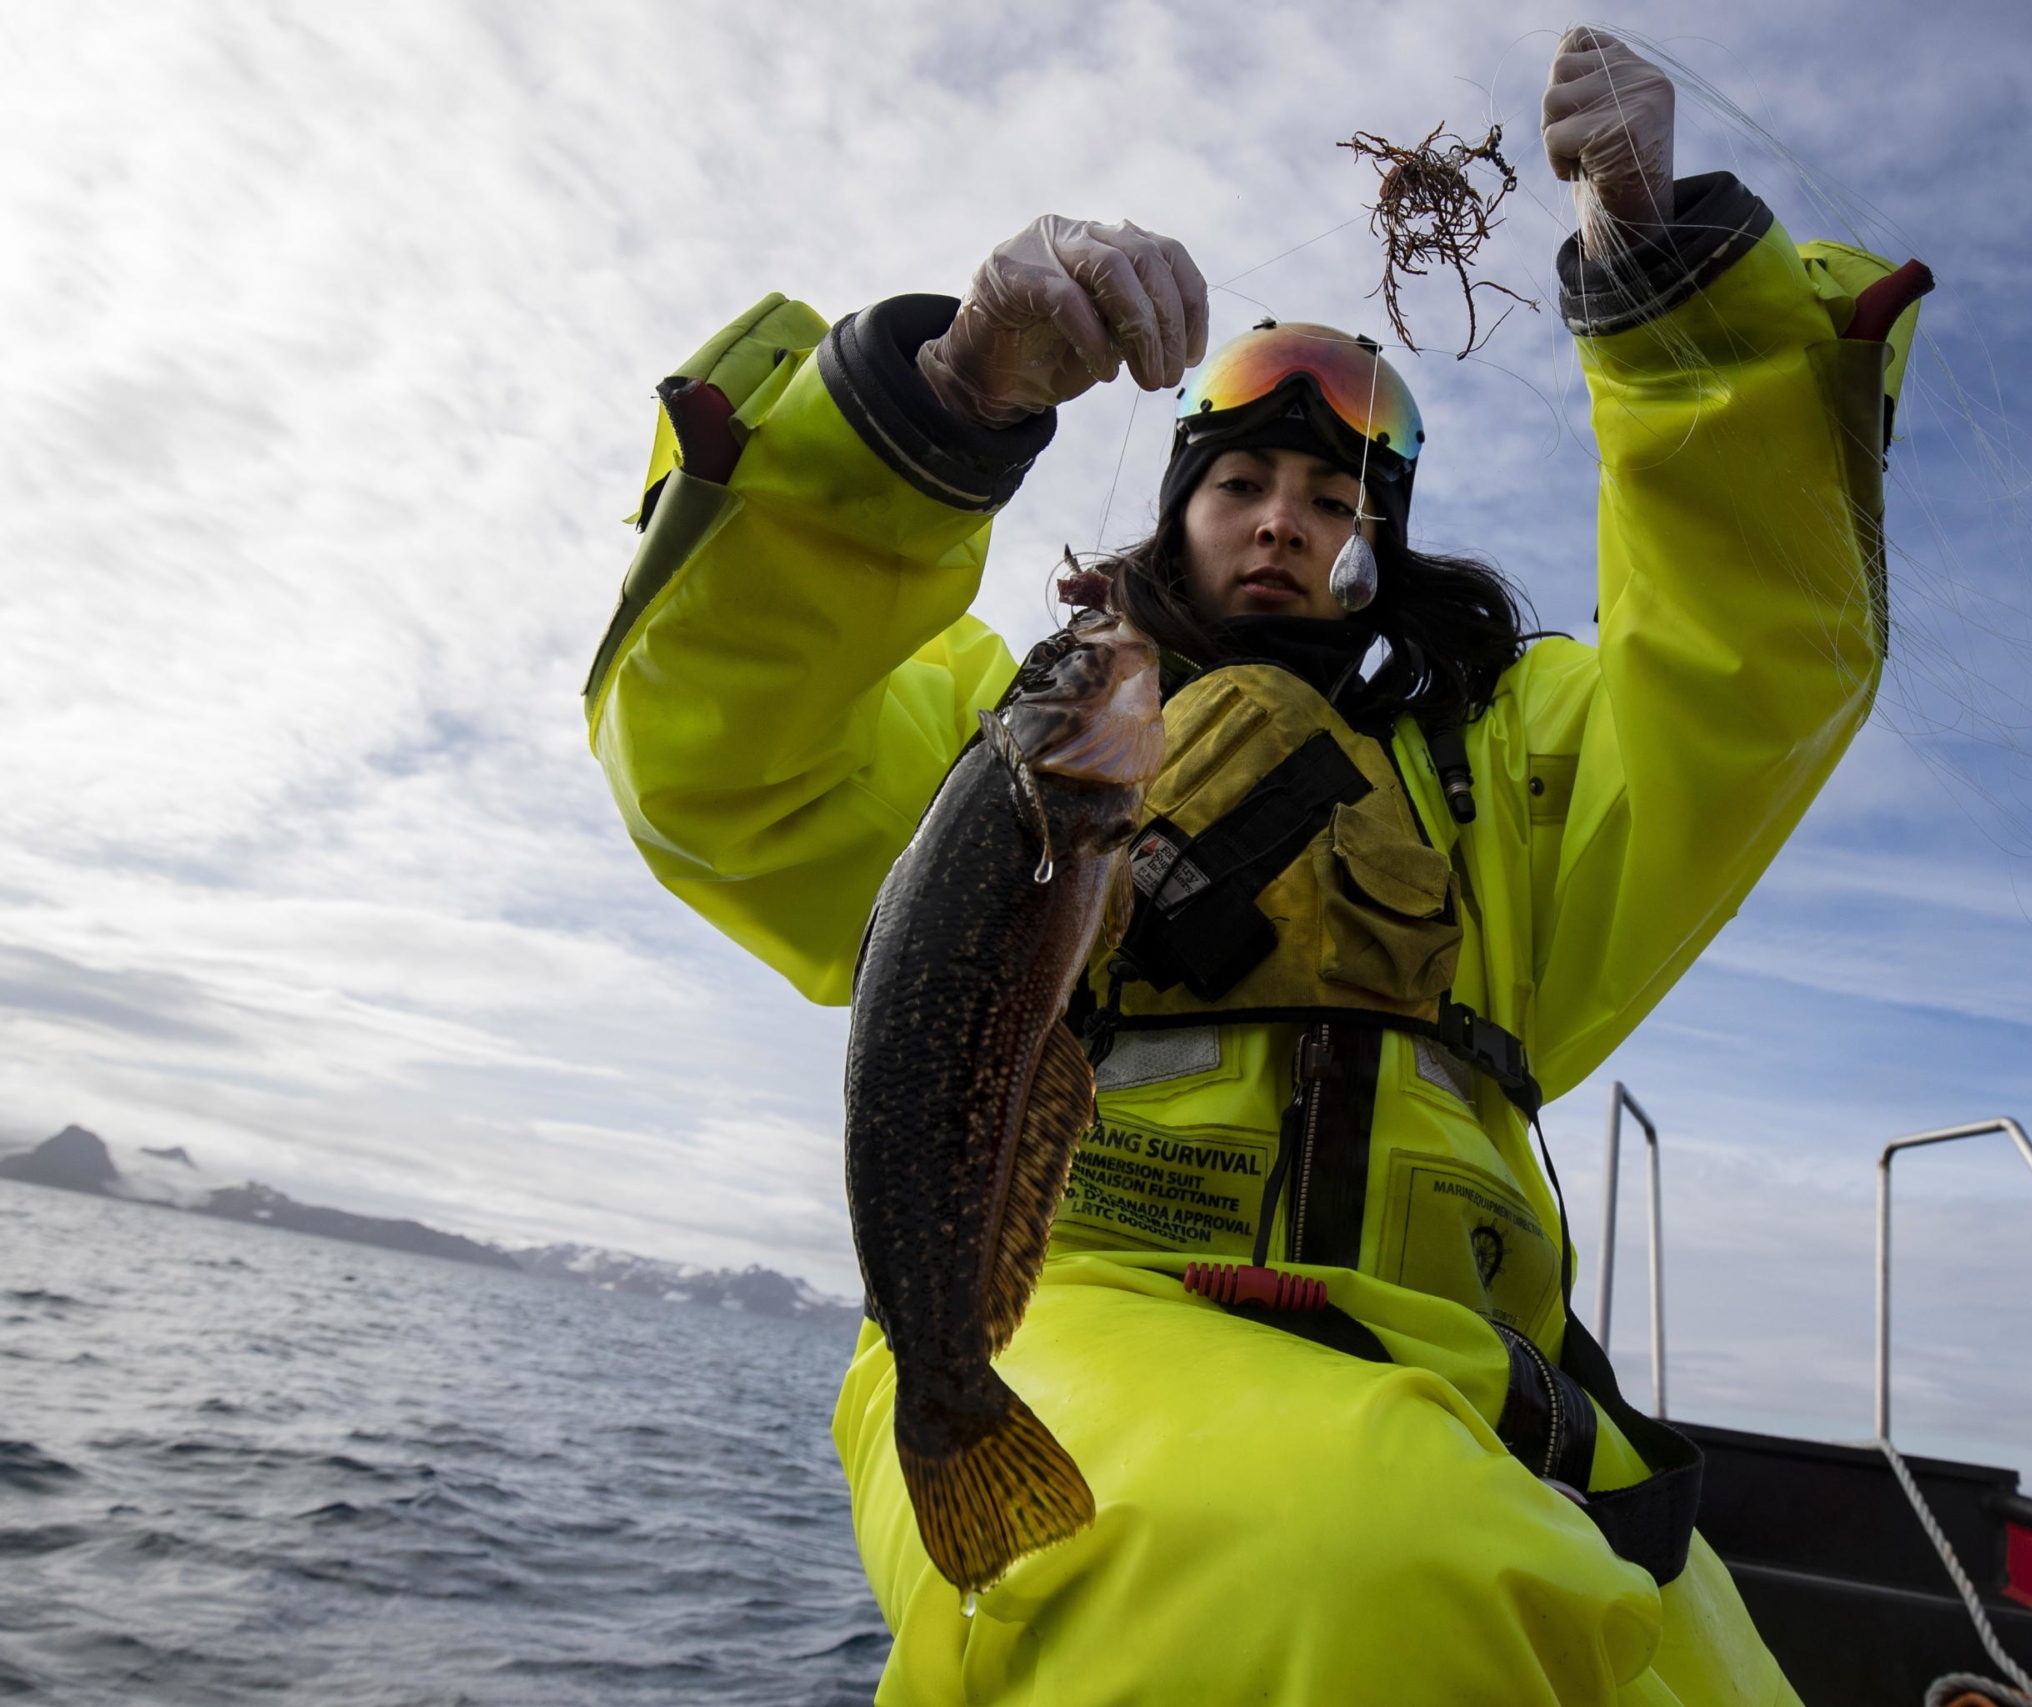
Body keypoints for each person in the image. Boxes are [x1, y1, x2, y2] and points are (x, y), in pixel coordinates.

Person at [587, 29, 1925, 1706]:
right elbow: (711, 752)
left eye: (1326, 491)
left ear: (1381, 535)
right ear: (1173, 512)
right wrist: (941, 401)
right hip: (1078, 1327)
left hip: (1498, 1397)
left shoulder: (1511, 758)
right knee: (1347, 1586)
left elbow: (1767, 654)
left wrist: (1673, 290)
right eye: (1237, 483)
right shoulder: (996, 738)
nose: (1282, 519)